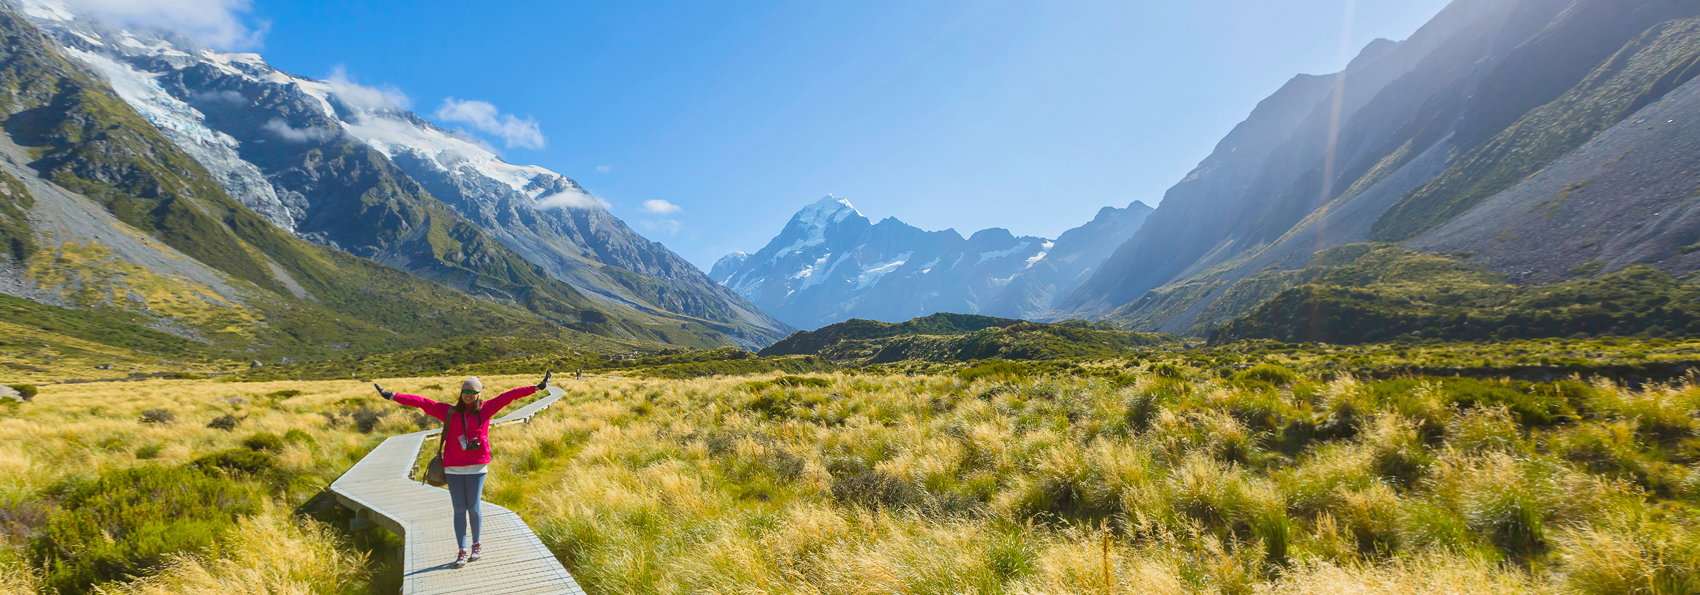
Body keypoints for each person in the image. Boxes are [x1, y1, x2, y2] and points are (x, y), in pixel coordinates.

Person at [375, 371, 551, 568]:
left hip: (477, 466)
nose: (468, 394)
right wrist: (392, 396)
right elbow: (422, 402)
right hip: (453, 467)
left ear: (478, 394)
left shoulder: (486, 409)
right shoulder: (449, 411)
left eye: (473, 391)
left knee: (473, 507)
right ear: (461, 392)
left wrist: (536, 387)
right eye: (465, 390)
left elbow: (509, 396)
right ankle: (462, 549)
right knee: (459, 509)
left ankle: (477, 545)